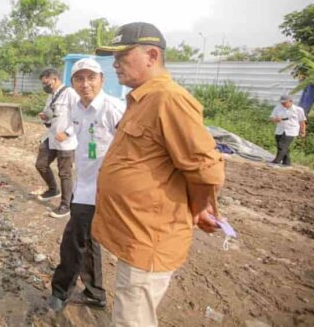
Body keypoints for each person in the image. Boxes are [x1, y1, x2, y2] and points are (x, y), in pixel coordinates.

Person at [92, 22, 225, 327]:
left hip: (150, 238)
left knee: (132, 319)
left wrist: (200, 207)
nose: (114, 64)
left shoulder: (169, 99)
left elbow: (206, 169)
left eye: (122, 56)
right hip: (136, 234)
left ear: (151, 55)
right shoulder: (143, 98)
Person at [49, 58, 124, 312]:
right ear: (73, 83)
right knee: (88, 240)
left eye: (91, 78)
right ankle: (95, 293)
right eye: (79, 79)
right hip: (84, 186)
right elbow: (75, 129)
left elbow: (132, 143)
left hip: (101, 190)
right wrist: (63, 133)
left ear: (102, 79)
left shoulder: (113, 108)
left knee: (72, 240)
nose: (85, 84)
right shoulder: (78, 108)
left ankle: (60, 291)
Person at [35, 68, 79, 218]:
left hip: (67, 141)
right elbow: (50, 116)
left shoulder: (70, 94)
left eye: (46, 83)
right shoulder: (51, 96)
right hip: (52, 137)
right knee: (41, 164)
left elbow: (79, 117)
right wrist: (45, 118)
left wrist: (67, 133)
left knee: (65, 173)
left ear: (54, 79)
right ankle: (53, 189)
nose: (44, 86)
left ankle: (66, 205)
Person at [269, 94, 307, 166]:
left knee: (282, 145)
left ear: (291, 101)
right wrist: (275, 119)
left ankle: (276, 161)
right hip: (280, 129)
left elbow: (302, 121)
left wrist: (303, 131)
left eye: (284, 103)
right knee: (282, 146)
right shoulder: (277, 108)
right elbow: (271, 118)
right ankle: (287, 162)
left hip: (291, 130)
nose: (283, 104)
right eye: (282, 103)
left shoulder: (298, 110)